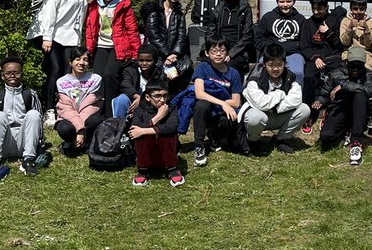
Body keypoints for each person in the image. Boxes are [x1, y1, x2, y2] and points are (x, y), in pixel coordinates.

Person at [28, 0, 97, 125]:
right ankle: (49, 109)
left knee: (68, 71)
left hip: (69, 37)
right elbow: (50, 10)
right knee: (55, 68)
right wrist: (47, 37)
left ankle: (64, 107)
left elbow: (79, 19)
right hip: (50, 34)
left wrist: (78, 41)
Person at [0, 55, 44, 179]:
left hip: (25, 141)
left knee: (34, 114)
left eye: (16, 72)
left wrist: (40, 144)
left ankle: (28, 160)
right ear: (3, 76)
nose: (12, 76)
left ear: (22, 74)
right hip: (4, 141)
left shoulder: (30, 94)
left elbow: (38, 123)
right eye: (8, 73)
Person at [84, 0, 141, 115]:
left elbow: (132, 30)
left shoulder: (123, 6)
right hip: (100, 45)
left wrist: (136, 53)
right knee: (98, 78)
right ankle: (98, 112)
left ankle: (110, 113)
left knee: (110, 75)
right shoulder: (94, 5)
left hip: (118, 47)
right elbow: (89, 28)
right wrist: (88, 48)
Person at [242, 43, 311, 153]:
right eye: (271, 65)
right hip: (261, 116)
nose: (275, 68)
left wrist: (276, 108)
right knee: (254, 117)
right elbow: (261, 103)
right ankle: (253, 141)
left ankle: (281, 139)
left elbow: (296, 99)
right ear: (264, 64)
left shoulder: (290, 76)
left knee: (304, 109)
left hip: (278, 113)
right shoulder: (255, 77)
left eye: (279, 64)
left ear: (284, 63)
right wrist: (280, 94)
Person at [189, 37, 243, 167]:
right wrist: (223, 103)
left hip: (222, 112)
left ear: (227, 53)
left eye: (222, 51)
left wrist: (223, 105)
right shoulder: (202, 67)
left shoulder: (234, 73)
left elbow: (236, 102)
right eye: (214, 51)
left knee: (232, 116)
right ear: (207, 53)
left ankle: (215, 135)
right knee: (202, 105)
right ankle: (199, 146)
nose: (218, 54)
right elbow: (200, 93)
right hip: (208, 108)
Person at [319, 45, 372, 166]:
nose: (355, 69)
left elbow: (369, 91)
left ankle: (356, 142)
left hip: (359, 111)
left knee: (360, 95)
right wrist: (319, 101)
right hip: (340, 109)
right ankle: (346, 131)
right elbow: (324, 93)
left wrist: (344, 85)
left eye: (359, 66)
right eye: (352, 65)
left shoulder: (368, 75)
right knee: (326, 137)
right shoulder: (335, 74)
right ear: (346, 62)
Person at [128, 79, 184, 187]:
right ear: (148, 97)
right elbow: (133, 130)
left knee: (165, 133)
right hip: (146, 151)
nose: (162, 100)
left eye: (165, 96)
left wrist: (144, 130)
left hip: (166, 151)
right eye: (157, 96)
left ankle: (172, 168)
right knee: (142, 136)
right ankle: (143, 170)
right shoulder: (139, 109)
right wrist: (157, 118)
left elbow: (172, 127)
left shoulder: (171, 107)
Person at [301, 0, 346, 116]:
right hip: (315, 58)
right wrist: (315, 58)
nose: (316, 12)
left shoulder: (336, 21)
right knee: (309, 77)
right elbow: (305, 47)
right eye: (313, 9)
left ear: (326, 7)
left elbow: (340, 44)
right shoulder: (308, 23)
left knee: (338, 77)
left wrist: (328, 33)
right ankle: (308, 112)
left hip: (333, 57)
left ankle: (332, 110)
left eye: (319, 9)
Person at [54, 46, 103, 155]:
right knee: (64, 128)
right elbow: (66, 108)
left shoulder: (95, 79)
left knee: (95, 121)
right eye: (77, 59)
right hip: (69, 116)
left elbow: (89, 106)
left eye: (85, 60)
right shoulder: (61, 82)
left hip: (87, 115)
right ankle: (71, 141)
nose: (81, 63)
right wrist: (80, 129)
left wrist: (81, 131)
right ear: (70, 62)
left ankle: (87, 142)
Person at [255, 0, 308, 84]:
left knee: (298, 72)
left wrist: (283, 46)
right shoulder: (267, 17)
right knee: (261, 73)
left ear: (294, 1)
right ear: (277, 2)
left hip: (293, 55)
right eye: (282, 2)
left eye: (288, 1)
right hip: (271, 54)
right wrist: (272, 49)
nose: (285, 5)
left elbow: (304, 42)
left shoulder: (301, 19)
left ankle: (294, 97)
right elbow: (259, 40)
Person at [203, 0, 255, 74]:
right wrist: (216, 51)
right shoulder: (218, 9)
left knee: (229, 66)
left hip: (238, 50)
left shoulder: (245, 9)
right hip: (218, 46)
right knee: (204, 66)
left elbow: (247, 35)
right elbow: (210, 33)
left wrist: (230, 54)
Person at [142, 0, 191, 80]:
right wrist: (167, 54)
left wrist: (174, 54)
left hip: (172, 55)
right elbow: (153, 36)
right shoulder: (154, 10)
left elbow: (181, 36)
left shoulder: (179, 14)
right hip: (156, 52)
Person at [111, 45, 163, 119]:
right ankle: (119, 124)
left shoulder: (160, 73)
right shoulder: (130, 70)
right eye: (141, 60)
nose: (144, 63)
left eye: (148, 61)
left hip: (151, 104)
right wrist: (137, 96)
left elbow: (160, 92)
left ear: (155, 61)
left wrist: (142, 99)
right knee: (121, 99)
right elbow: (125, 84)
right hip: (133, 101)